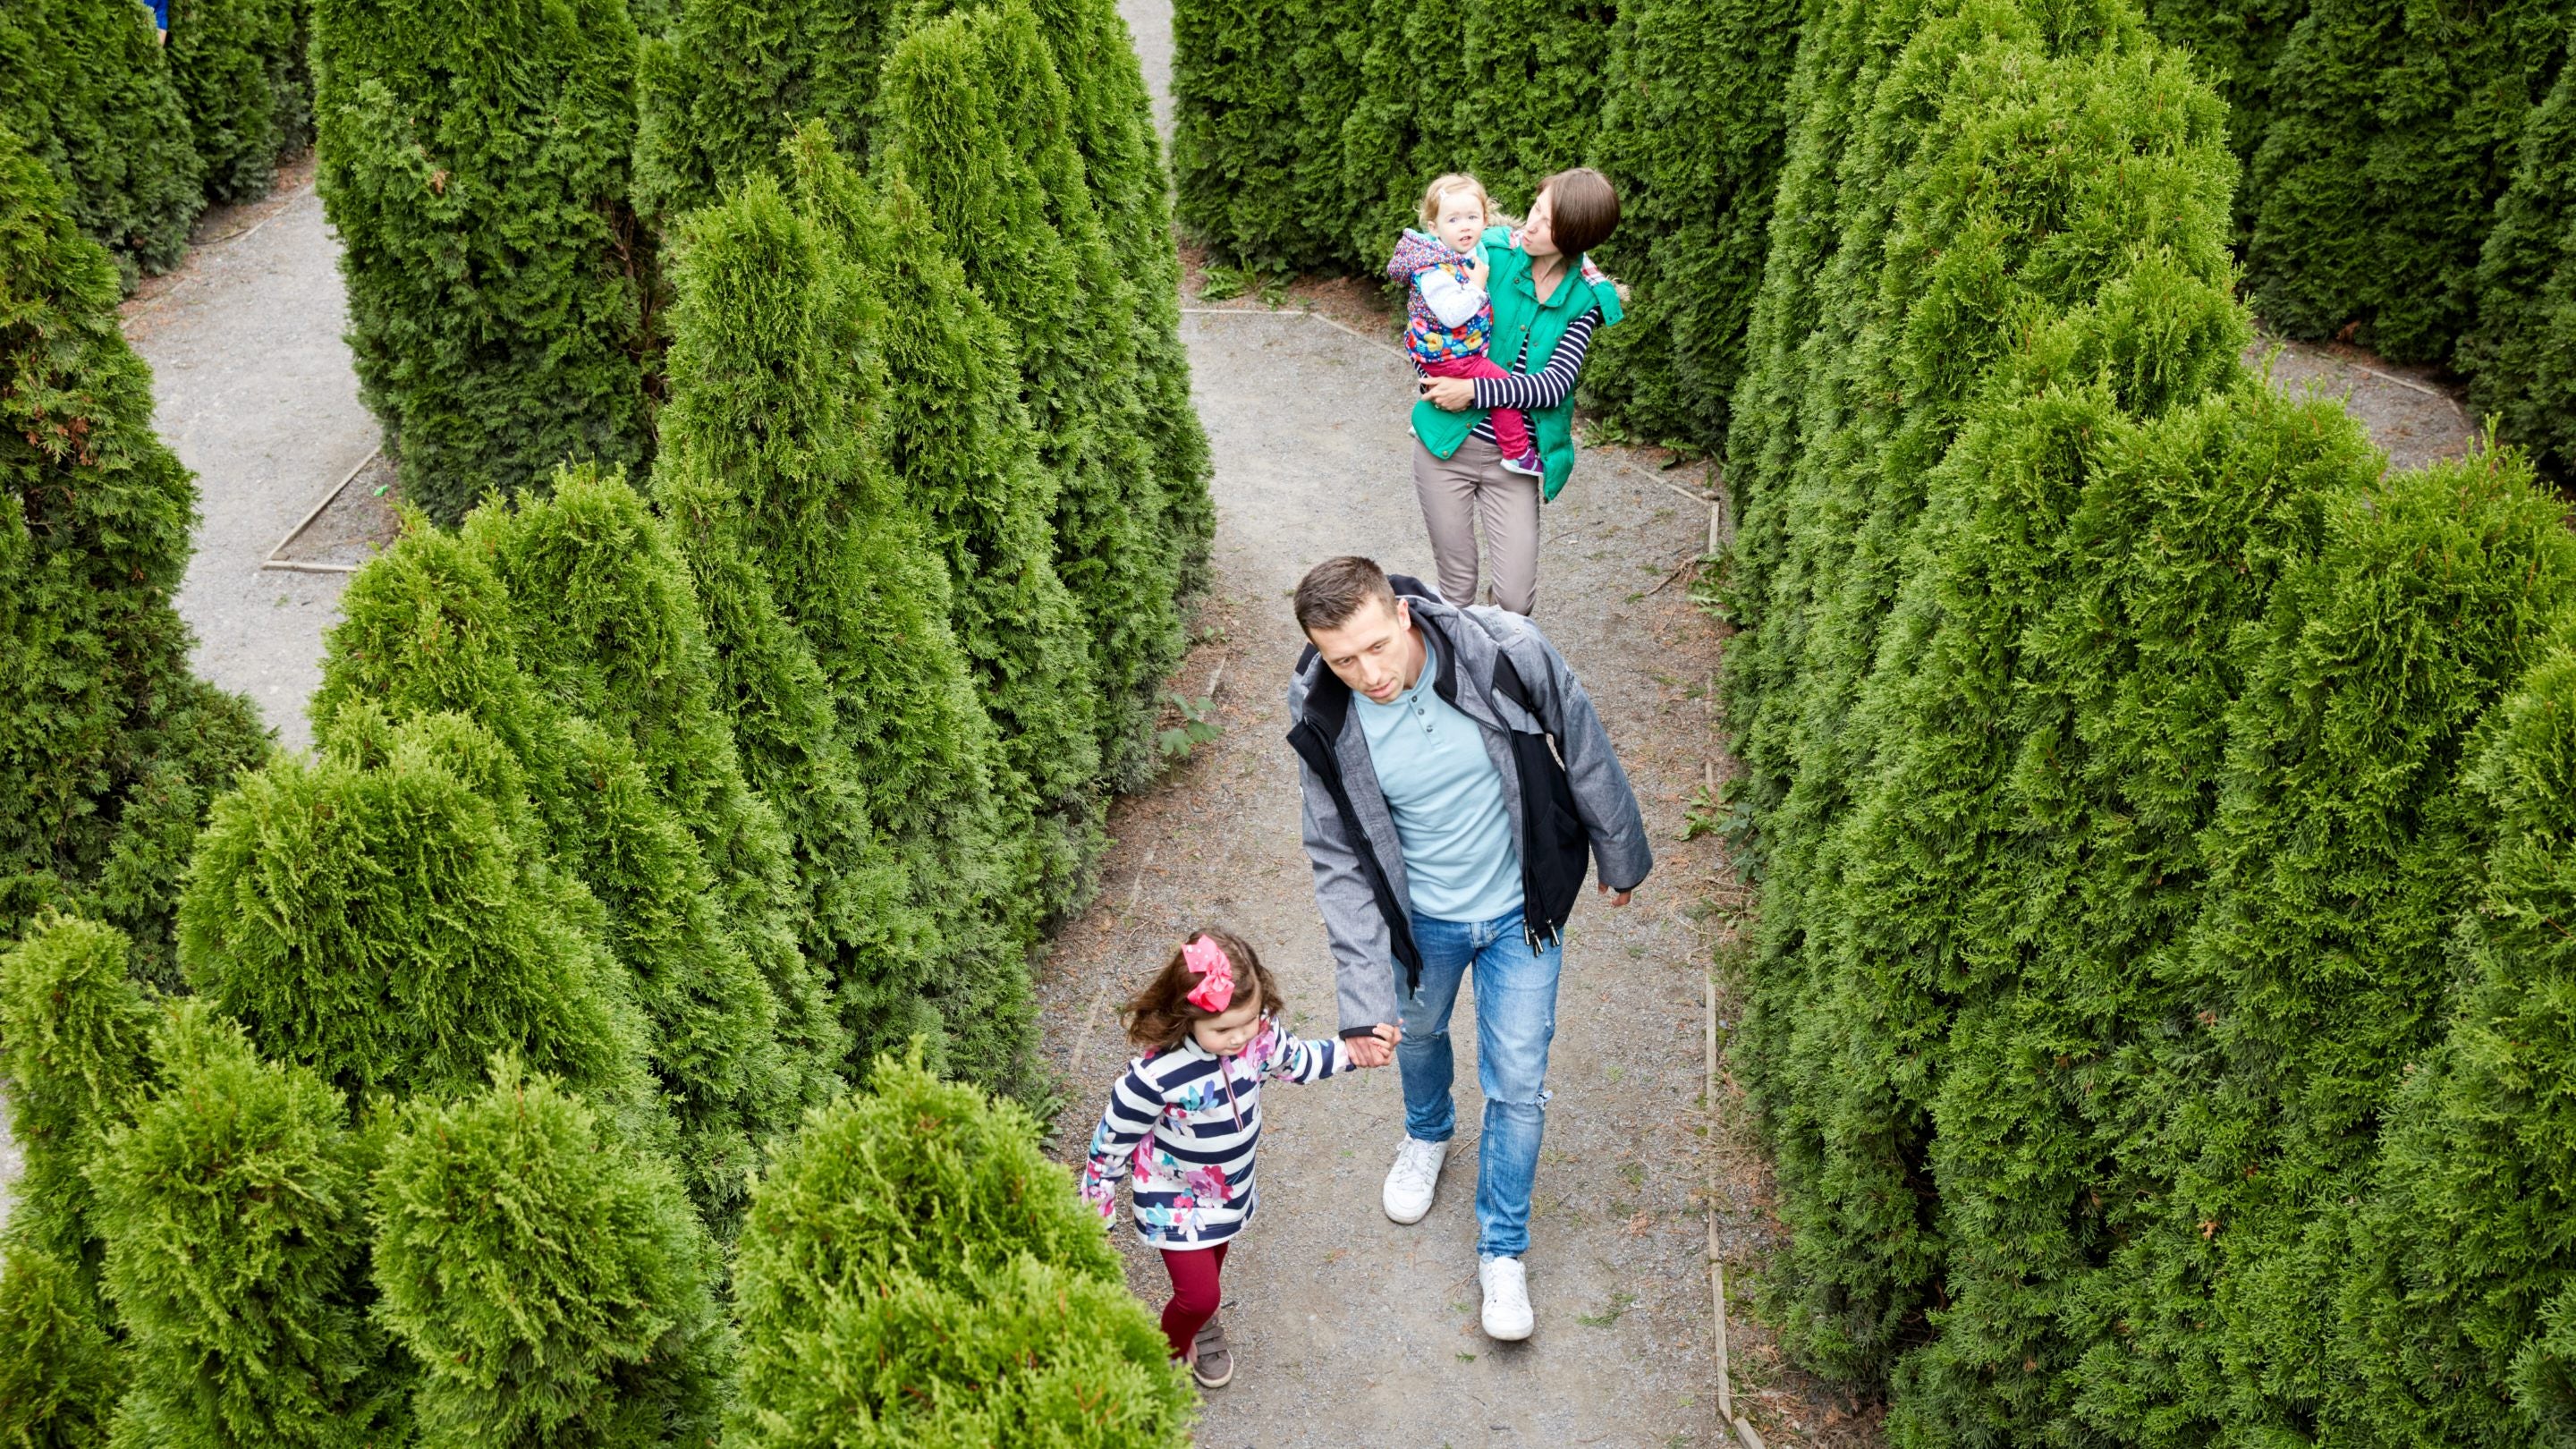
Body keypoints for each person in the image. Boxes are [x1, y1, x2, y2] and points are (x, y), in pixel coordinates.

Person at [1285, 555, 1652, 1341]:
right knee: (1413, 1032)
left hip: (1523, 912)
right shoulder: (1323, 710)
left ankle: (1503, 1252)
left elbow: (1579, 736)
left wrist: (1621, 852)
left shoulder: (1503, 648)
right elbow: (1336, 856)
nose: (1369, 673)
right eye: (1343, 660)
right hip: (1420, 927)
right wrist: (1362, 1001)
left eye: (1377, 646)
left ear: (1404, 615)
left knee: (1518, 1082)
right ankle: (1427, 1132)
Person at [1078, 928, 1394, 1389]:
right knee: (1199, 1295)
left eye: (1247, 1022)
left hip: (1229, 1190)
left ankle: (1201, 1320)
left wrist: (1350, 1052)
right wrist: (1094, 1213)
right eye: (1223, 1030)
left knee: (1210, 1272)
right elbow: (1110, 1142)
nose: (1239, 1037)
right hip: (1174, 1198)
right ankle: (1164, 1350)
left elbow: (1298, 1060)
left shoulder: (1258, 1038)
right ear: (1187, 1016)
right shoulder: (1155, 1076)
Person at [1409, 167, 1626, 615]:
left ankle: (1500, 669)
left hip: (1514, 461)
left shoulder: (1585, 299)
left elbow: (1553, 388)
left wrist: (1472, 390)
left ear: (1575, 235)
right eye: (1535, 210)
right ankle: (1461, 681)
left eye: (1546, 223)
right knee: (1457, 587)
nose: (1530, 224)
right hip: (1445, 446)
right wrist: (1426, 365)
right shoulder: (1489, 254)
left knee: (1513, 602)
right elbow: (1427, 311)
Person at [1386, 173, 1542, 479]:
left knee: (1465, 393)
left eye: (1472, 217)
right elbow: (1451, 315)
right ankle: (1517, 452)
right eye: (1453, 220)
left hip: (1451, 349)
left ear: (1486, 219)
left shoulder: (1470, 250)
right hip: (1451, 355)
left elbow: (1510, 238)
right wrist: (1476, 287)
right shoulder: (1433, 269)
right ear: (1434, 228)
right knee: (1502, 388)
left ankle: (1429, 424)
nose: (1465, 226)